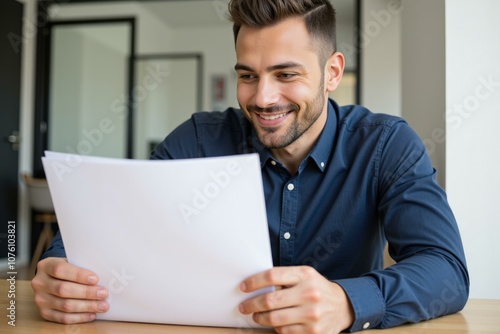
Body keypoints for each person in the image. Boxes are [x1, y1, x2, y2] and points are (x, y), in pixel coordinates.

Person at [32, 0, 469, 332]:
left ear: (332, 72)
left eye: (285, 75)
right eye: (247, 76)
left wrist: (348, 302)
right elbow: (110, 230)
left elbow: (445, 269)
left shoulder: (386, 145)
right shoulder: (199, 140)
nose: (262, 98)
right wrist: (59, 269)